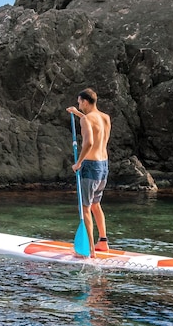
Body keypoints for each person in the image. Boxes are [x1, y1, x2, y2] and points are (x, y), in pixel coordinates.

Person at [66, 88, 111, 258]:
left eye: (79, 102)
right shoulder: (105, 118)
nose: (79, 105)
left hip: (90, 167)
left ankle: (90, 251)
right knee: (95, 205)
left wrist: (78, 163)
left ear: (85, 101)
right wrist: (77, 113)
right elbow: (95, 128)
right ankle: (103, 242)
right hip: (103, 166)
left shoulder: (86, 120)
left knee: (85, 208)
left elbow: (89, 142)